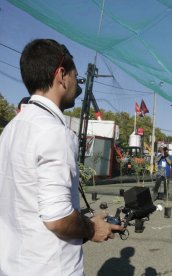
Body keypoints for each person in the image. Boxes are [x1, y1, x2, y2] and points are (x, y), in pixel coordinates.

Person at [0, 39, 123, 276]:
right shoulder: (54, 132)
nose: (77, 85)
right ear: (61, 75)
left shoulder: (11, 129)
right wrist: (92, 228)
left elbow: (29, 201)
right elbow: (57, 219)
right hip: (50, 269)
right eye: (76, 77)